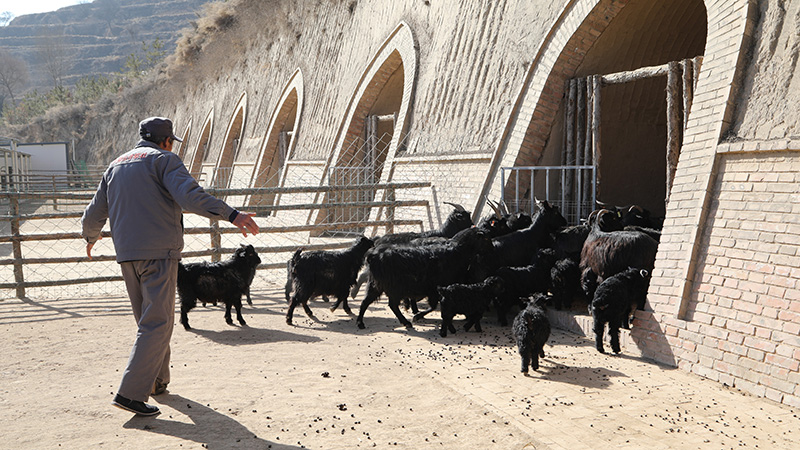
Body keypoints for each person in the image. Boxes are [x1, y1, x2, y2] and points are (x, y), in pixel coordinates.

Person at [81, 117, 259, 416]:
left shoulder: (116, 165)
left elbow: (94, 212)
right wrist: (232, 214)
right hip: (159, 254)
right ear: (166, 141)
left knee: (149, 322)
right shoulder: (164, 160)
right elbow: (189, 196)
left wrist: (90, 236)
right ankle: (130, 393)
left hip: (128, 255)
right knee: (158, 323)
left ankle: (157, 382)